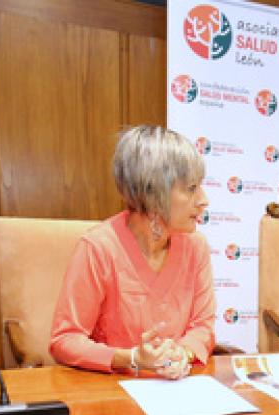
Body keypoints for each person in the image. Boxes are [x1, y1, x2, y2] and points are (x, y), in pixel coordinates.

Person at [49, 125, 215, 379]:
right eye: (191, 188)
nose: (204, 200)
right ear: (153, 191)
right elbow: (65, 340)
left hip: (179, 393)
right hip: (111, 393)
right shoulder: (98, 248)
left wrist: (183, 353)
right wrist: (132, 358)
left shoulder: (196, 247)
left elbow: (202, 327)